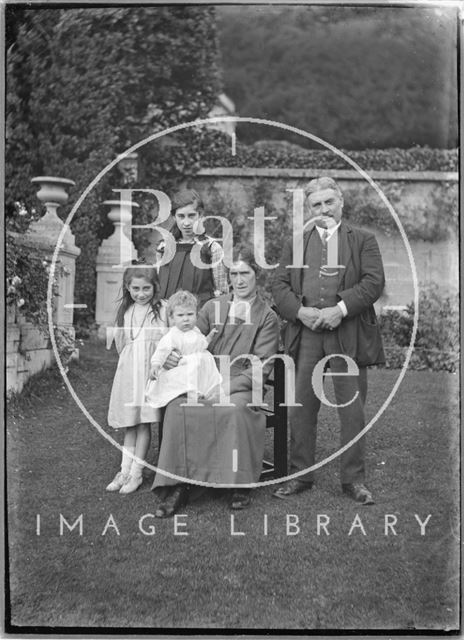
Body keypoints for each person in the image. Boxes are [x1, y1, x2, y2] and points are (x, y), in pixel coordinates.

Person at [271, 176, 385, 505]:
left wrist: (341, 308)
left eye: (329, 202)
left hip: (346, 333)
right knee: (302, 407)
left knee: (351, 410)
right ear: (310, 208)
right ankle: (300, 475)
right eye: (316, 204)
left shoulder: (363, 239)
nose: (323, 209)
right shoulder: (297, 241)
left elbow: (373, 282)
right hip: (306, 334)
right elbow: (279, 284)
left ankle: (353, 481)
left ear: (341, 202)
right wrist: (299, 312)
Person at [151, 245, 279, 517]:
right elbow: (185, 337)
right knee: (177, 409)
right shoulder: (212, 307)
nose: (239, 280)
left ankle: (238, 484)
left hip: (240, 383)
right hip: (203, 377)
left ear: (257, 275)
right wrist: (172, 358)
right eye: (234, 274)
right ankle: (180, 484)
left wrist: (223, 388)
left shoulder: (267, 316)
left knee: (231, 409)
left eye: (245, 273)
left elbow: (261, 366)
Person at [106, 265, 167, 495]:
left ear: (155, 287)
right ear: (128, 288)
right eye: (136, 288)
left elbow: (166, 339)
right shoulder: (126, 311)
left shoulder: (160, 309)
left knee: (143, 422)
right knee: (129, 423)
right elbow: (121, 344)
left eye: (146, 288)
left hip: (149, 371)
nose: (141, 293)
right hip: (129, 371)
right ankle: (124, 470)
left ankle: (137, 473)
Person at [145, 290, 222, 408]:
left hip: (198, 365)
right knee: (187, 371)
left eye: (190, 314)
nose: (186, 319)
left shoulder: (195, 330)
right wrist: (156, 365)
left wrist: (209, 337)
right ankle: (190, 392)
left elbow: (201, 344)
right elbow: (161, 351)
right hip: (182, 366)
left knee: (205, 363)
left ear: (196, 315)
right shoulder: (172, 335)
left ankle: (207, 390)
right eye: (180, 315)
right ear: (172, 317)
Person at [157, 188, 229, 308]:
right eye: (181, 216)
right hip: (168, 316)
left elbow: (221, 291)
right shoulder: (164, 247)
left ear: (200, 215)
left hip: (200, 316)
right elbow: (158, 286)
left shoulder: (212, 248)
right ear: (174, 217)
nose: (186, 223)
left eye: (191, 216)